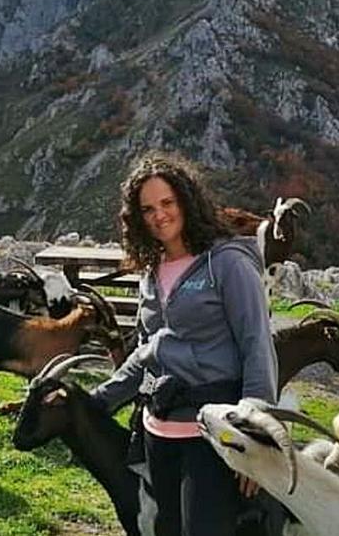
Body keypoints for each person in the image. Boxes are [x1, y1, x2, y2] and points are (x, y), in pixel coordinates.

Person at [88, 152, 279, 536]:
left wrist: (256, 439)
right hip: (158, 433)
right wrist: (95, 401)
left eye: (167, 203)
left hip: (212, 435)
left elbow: (257, 345)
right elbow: (147, 351)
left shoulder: (226, 263)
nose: (159, 215)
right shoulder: (151, 271)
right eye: (147, 209)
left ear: (187, 202)